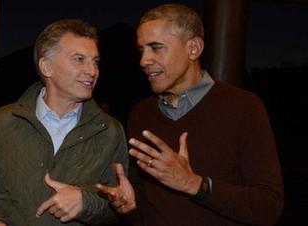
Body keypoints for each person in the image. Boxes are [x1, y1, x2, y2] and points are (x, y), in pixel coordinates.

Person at [96, 3, 284, 226]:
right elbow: (148, 209)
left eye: (156, 47)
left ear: (193, 48)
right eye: (141, 50)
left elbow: (268, 207)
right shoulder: (141, 113)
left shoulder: (244, 107)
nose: (144, 61)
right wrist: (129, 205)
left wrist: (194, 184)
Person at [0, 19, 128, 226]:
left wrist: (86, 201)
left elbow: (119, 206)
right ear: (46, 67)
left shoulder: (110, 132)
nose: (92, 71)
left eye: (95, 61)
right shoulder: (1, 122)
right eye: (79, 59)